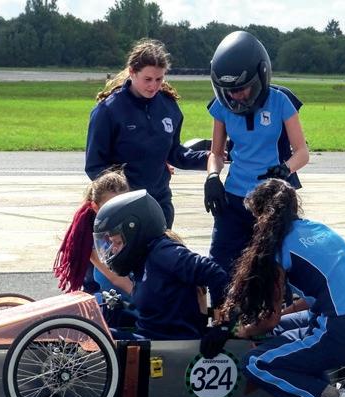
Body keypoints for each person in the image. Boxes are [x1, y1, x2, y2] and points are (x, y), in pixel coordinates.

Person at [200, 179, 345, 397]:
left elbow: (269, 321)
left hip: (340, 331)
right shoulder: (320, 230)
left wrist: (242, 331)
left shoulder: (279, 248)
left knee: (256, 362)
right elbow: (316, 295)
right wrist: (286, 314)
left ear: (262, 217)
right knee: (285, 330)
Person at [204, 31, 310, 275]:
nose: (236, 96)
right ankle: (222, 301)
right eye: (230, 91)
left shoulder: (281, 101)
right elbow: (216, 153)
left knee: (273, 266)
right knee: (220, 264)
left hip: (271, 198)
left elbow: (302, 152)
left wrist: (285, 169)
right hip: (234, 197)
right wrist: (212, 177)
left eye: (242, 89)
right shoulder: (221, 106)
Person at [85, 38, 208, 229]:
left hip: (159, 202)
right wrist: (117, 193)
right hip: (123, 204)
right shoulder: (108, 111)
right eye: (148, 79)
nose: (153, 86)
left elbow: (174, 152)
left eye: (159, 79)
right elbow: (94, 165)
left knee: (163, 248)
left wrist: (208, 158)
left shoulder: (169, 106)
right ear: (132, 72)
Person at [93, 189, 228, 340]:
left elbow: (215, 274)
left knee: (93, 333)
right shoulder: (141, 258)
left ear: (134, 230)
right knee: (90, 327)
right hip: (150, 335)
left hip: (172, 341)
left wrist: (221, 325)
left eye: (117, 242)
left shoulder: (164, 253)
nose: (113, 249)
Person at [53, 168, 133, 297]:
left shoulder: (134, 222)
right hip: (105, 295)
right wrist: (145, 300)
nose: (119, 212)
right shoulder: (88, 234)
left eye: (124, 205)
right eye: (111, 207)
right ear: (95, 207)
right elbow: (116, 278)